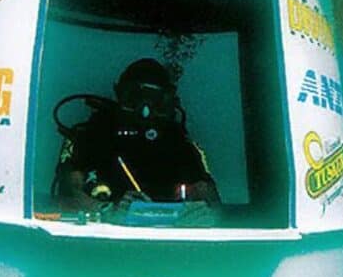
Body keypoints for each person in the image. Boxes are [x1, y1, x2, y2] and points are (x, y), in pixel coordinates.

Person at [55, 57, 220, 213]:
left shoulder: (178, 143)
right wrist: (107, 211)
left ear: (168, 102)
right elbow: (67, 193)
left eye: (155, 100)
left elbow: (210, 200)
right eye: (133, 98)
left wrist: (199, 214)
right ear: (119, 94)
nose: (145, 111)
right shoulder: (92, 135)